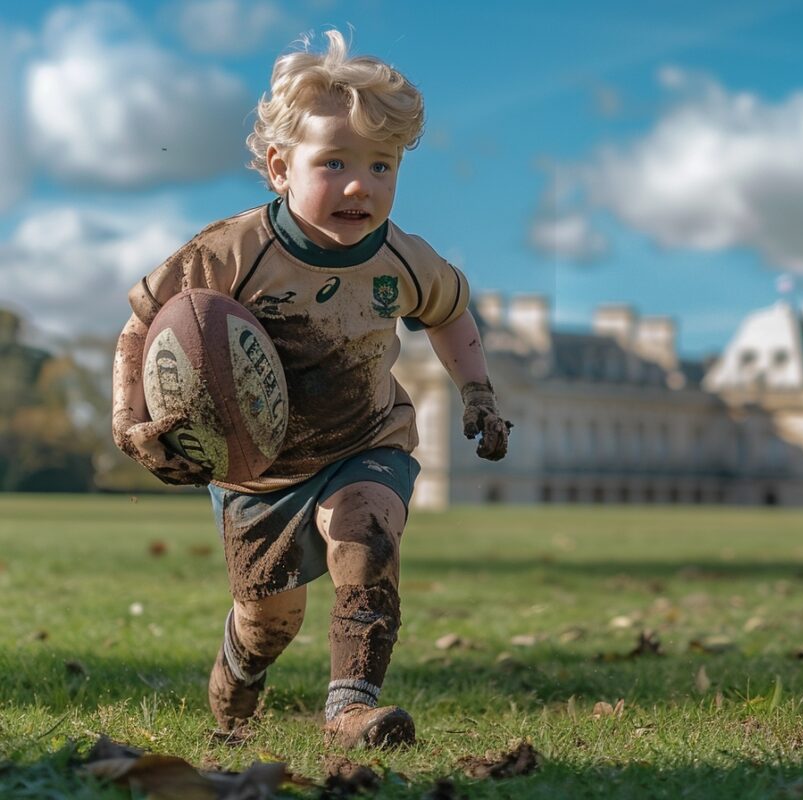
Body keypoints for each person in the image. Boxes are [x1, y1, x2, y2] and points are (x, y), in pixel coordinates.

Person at [110, 30, 510, 749]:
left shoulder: (404, 259)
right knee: (272, 621)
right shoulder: (231, 251)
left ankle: (350, 712)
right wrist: (129, 419)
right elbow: (142, 325)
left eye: (382, 165)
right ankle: (239, 669)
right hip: (256, 471)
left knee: (367, 533)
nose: (362, 184)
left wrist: (477, 390)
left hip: (365, 440)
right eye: (335, 162)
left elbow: (449, 314)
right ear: (278, 167)